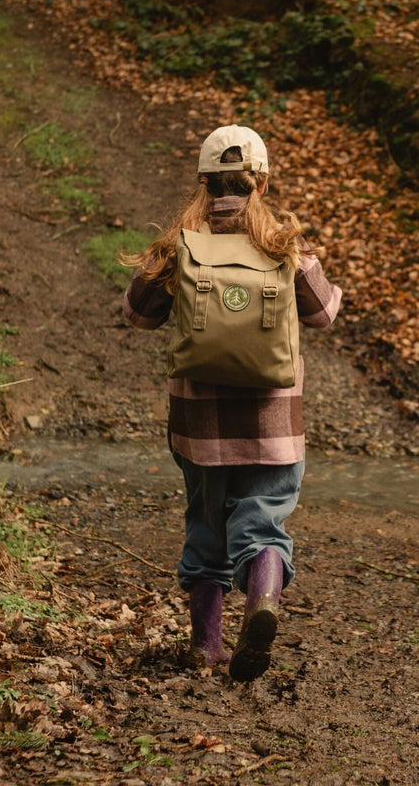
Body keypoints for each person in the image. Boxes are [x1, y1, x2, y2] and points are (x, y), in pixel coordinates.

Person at [122, 125, 342, 681]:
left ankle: (207, 646)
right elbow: (322, 315)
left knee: (206, 527)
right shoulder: (284, 245)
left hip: (199, 427)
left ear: (203, 182)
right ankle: (262, 601)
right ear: (261, 183)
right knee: (263, 525)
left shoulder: (179, 246)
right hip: (275, 425)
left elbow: (138, 314)